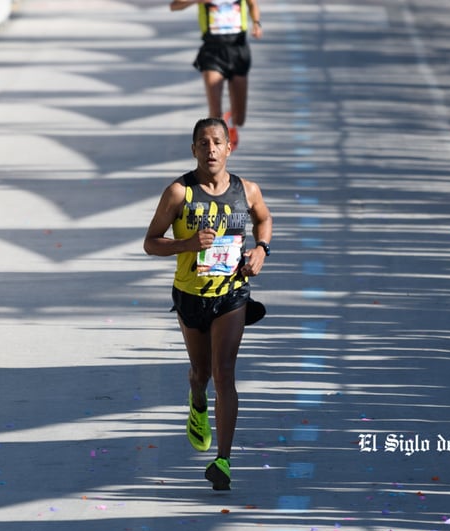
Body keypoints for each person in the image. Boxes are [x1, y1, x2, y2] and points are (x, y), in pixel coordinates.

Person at [143, 117, 272, 491]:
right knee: (201, 373)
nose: (211, 149)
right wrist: (185, 245)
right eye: (203, 143)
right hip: (190, 295)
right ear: (194, 150)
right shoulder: (179, 193)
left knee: (225, 372)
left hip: (231, 295)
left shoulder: (247, 191)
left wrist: (261, 250)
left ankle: (224, 461)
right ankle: (196, 400)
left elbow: (265, 219)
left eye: (217, 142)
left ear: (229, 147)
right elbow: (151, 241)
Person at [170, 0, 263, 151]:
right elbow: (174, 6)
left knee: (240, 118)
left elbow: (252, 4)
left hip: (238, 49)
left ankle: (230, 118)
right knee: (215, 111)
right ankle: (217, 150)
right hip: (212, 51)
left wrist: (257, 23)